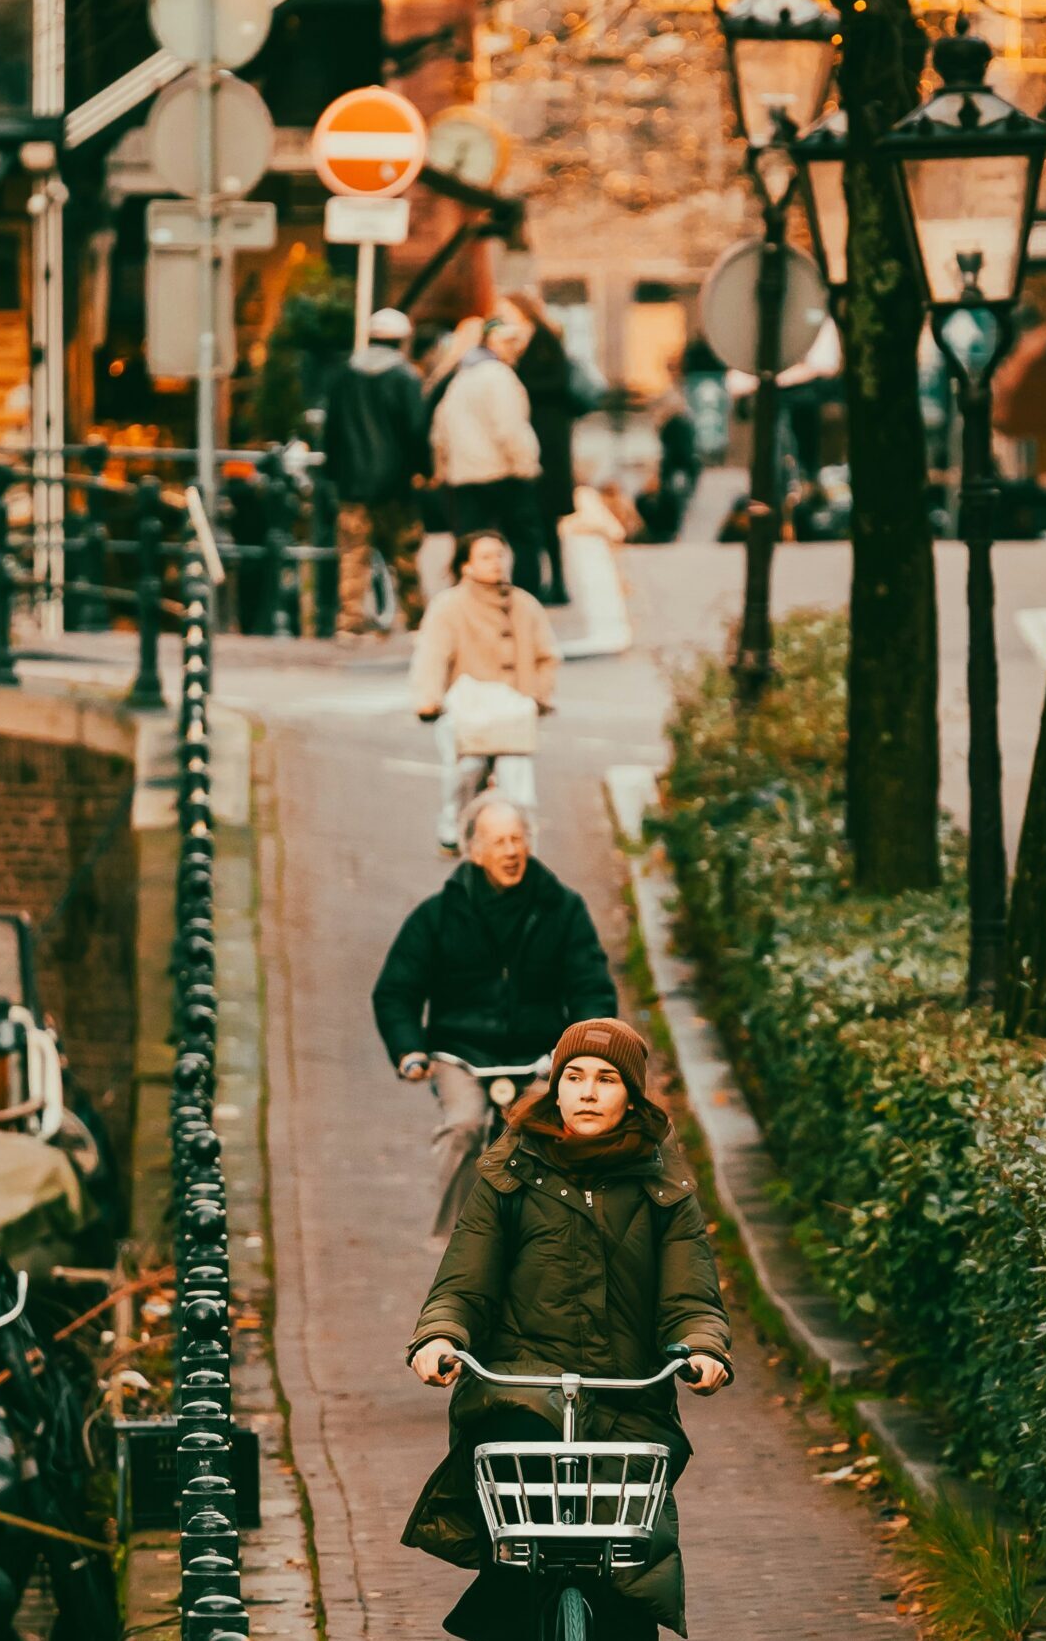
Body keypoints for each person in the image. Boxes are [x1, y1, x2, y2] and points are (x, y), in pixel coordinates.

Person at [404, 1017, 731, 1641]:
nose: (586, 1091)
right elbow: (463, 1282)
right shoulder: (506, 1174)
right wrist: (440, 1337)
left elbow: (691, 1296)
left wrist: (702, 1350)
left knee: (629, 1579)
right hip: (517, 1389)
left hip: (628, 1397)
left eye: (606, 1080)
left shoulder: (667, 1188)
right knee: (517, 1523)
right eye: (573, 1076)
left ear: (631, 1096)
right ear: (553, 1086)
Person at [372, 800, 618, 1235]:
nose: (510, 851)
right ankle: (458, 1246)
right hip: (460, 1051)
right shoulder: (438, 915)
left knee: (553, 1128)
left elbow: (590, 986)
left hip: (539, 1052)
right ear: (475, 852)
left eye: (517, 839)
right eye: (498, 842)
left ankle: (556, 1236)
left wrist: (583, 1048)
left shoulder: (562, 909)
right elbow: (396, 990)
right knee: (464, 1126)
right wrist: (409, 1049)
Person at [410, 529, 559, 854]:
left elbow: (547, 655)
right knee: (465, 769)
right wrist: (429, 698)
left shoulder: (525, 605)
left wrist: (538, 695)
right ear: (466, 566)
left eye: (500, 555)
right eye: (486, 557)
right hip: (466, 707)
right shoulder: (449, 606)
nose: (497, 563)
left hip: (513, 708)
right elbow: (432, 656)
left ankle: (521, 841)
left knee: (518, 779)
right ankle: (453, 825)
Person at [324, 306, 430, 635]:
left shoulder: (344, 376)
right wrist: (423, 469)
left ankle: (350, 619)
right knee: (405, 555)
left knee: (353, 554)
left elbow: (332, 431)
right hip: (396, 483)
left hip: (353, 484)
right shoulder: (405, 378)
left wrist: (335, 472)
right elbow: (416, 430)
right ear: (402, 341)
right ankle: (416, 618)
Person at [430, 310, 545, 595]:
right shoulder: (499, 376)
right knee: (523, 540)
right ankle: (524, 601)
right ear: (492, 342)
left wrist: (444, 467)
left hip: (465, 475)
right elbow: (509, 429)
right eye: (507, 343)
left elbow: (439, 430)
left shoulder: (460, 378)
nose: (514, 350)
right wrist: (526, 466)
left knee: (468, 543)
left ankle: (468, 602)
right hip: (502, 472)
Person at [508, 290, 593, 605]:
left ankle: (557, 583)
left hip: (549, 439)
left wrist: (517, 380)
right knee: (541, 517)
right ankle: (551, 581)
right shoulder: (534, 340)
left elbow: (556, 382)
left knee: (546, 516)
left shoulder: (544, 340)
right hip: (542, 435)